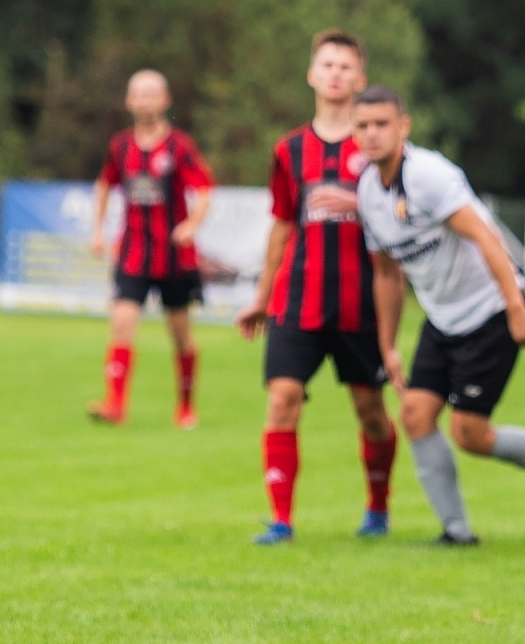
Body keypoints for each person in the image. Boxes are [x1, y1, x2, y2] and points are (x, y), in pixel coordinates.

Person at [352, 86, 525, 545]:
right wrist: (387, 345)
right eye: (363, 126)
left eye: (381, 123)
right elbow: (386, 273)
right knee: (415, 414)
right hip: (442, 318)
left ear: (403, 126)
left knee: (470, 433)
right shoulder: (367, 192)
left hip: (488, 312)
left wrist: (516, 308)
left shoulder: (429, 176)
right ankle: (457, 533)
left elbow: (486, 237)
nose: (372, 134)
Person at [235, 30, 399, 544]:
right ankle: (281, 520)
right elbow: (282, 224)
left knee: (371, 412)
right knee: (282, 399)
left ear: (360, 79)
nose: (335, 74)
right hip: (297, 301)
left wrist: (362, 205)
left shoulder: (375, 145)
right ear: (311, 74)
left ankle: (378, 508)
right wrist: (261, 298)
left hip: (359, 304)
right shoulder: (289, 150)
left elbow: (402, 215)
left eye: (345, 67)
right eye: (327, 65)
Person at [88, 69, 215, 427]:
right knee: (122, 322)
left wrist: (191, 225)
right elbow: (104, 184)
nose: (144, 101)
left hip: (174, 258)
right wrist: (97, 231)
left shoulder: (180, 147)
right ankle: (115, 405)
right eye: (138, 94)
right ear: (129, 101)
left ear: (165, 100)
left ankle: (186, 407)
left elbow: (204, 190)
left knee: (180, 334)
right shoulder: (120, 146)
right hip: (133, 253)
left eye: (151, 94)